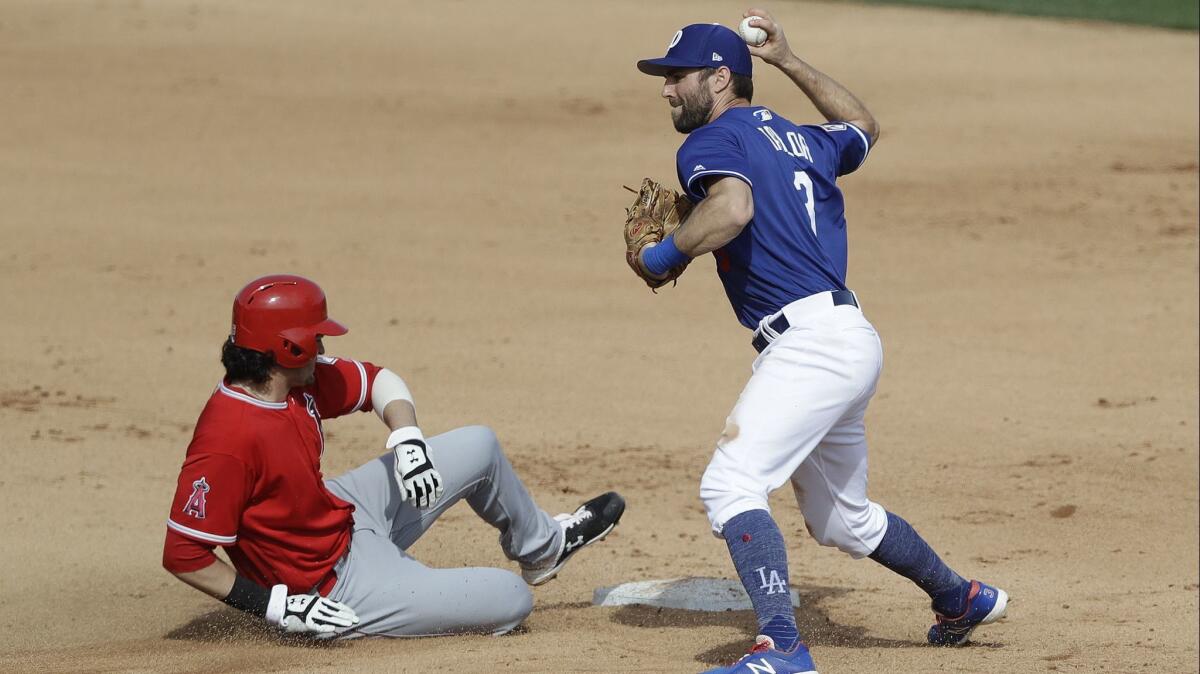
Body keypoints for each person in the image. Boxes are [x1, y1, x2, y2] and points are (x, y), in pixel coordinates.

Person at [632, 9, 1007, 673]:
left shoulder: (710, 142)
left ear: (720, 78)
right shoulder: (801, 140)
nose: (666, 90)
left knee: (730, 484)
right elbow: (863, 127)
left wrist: (663, 257)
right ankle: (960, 597)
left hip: (809, 344)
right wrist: (789, 59)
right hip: (848, 339)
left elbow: (732, 209)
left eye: (677, 77)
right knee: (843, 521)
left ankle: (781, 647)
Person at [162, 274, 625, 638]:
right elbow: (184, 555)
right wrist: (277, 606)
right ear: (287, 347)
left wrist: (408, 442)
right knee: (511, 599)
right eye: (315, 338)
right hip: (329, 586)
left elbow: (380, 381)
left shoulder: (291, 382)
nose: (323, 347)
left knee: (480, 444)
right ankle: (385, 605)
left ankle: (543, 549)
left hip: (340, 509)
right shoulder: (227, 442)